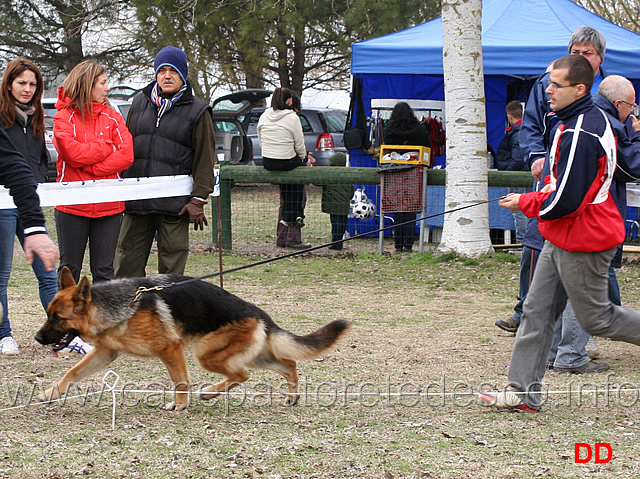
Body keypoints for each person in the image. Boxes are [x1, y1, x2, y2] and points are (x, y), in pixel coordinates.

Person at [484, 55, 640, 412]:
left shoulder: (583, 131)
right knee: (536, 312)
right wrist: (531, 200)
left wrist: (526, 202)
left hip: (585, 239)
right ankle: (522, 393)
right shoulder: (570, 121)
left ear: (579, 89)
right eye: (548, 82)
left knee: (598, 318)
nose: (547, 89)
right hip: (561, 234)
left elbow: (567, 200)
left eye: (556, 84)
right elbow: (559, 189)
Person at [115, 46, 216, 276]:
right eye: (162, 71)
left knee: (172, 274)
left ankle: (168, 313)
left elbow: (205, 158)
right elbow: (127, 146)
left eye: (173, 71)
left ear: (183, 74)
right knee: (125, 265)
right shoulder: (139, 102)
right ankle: (130, 312)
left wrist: (198, 199)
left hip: (175, 205)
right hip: (137, 201)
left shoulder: (198, 111)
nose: (167, 76)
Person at [53, 59, 133, 288]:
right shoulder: (63, 117)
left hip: (109, 205)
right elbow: (71, 153)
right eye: (102, 82)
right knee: (70, 268)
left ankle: (102, 322)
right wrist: (107, 148)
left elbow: (126, 155)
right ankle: (65, 322)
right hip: (72, 205)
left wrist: (92, 168)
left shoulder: (113, 117)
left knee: (105, 271)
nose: (107, 88)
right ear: (87, 84)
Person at [0, 58, 59, 355]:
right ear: (9, 83)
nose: (27, 89)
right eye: (21, 82)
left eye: (33, 84)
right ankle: (3, 333)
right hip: (2, 204)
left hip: (28, 202)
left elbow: (30, 163)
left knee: (49, 272)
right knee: (2, 274)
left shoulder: (37, 119)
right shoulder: (1, 117)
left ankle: (64, 332)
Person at [258, 87, 314, 250]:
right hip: (286, 160)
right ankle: (295, 219)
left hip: (269, 160)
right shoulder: (292, 117)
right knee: (296, 190)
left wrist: (269, 151)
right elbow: (299, 142)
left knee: (285, 194)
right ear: (289, 101)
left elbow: (260, 136)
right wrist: (304, 159)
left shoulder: (265, 115)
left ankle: (284, 232)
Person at [382, 102, 431, 252]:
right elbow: (428, 147)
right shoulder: (420, 130)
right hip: (414, 172)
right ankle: (409, 245)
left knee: (397, 209)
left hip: (395, 172)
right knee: (411, 209)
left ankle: (398, 245)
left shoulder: (389, 131)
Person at [495, 100, 528, 242]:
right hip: (523, 173)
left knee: (519, 210)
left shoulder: (517, 133)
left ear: (510, 116)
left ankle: (522, 241)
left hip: (518, 175)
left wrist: (508, 173)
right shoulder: (525, 130)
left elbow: (518, 158)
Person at [321, 152, 354, 251]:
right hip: (344, 204)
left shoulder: (329, 173)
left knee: (335, 224)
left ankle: (335, 243)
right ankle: (339, 242)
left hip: (333, 204)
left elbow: (317, 181)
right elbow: (352, 189)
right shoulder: (347, 174)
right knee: (342, 224)